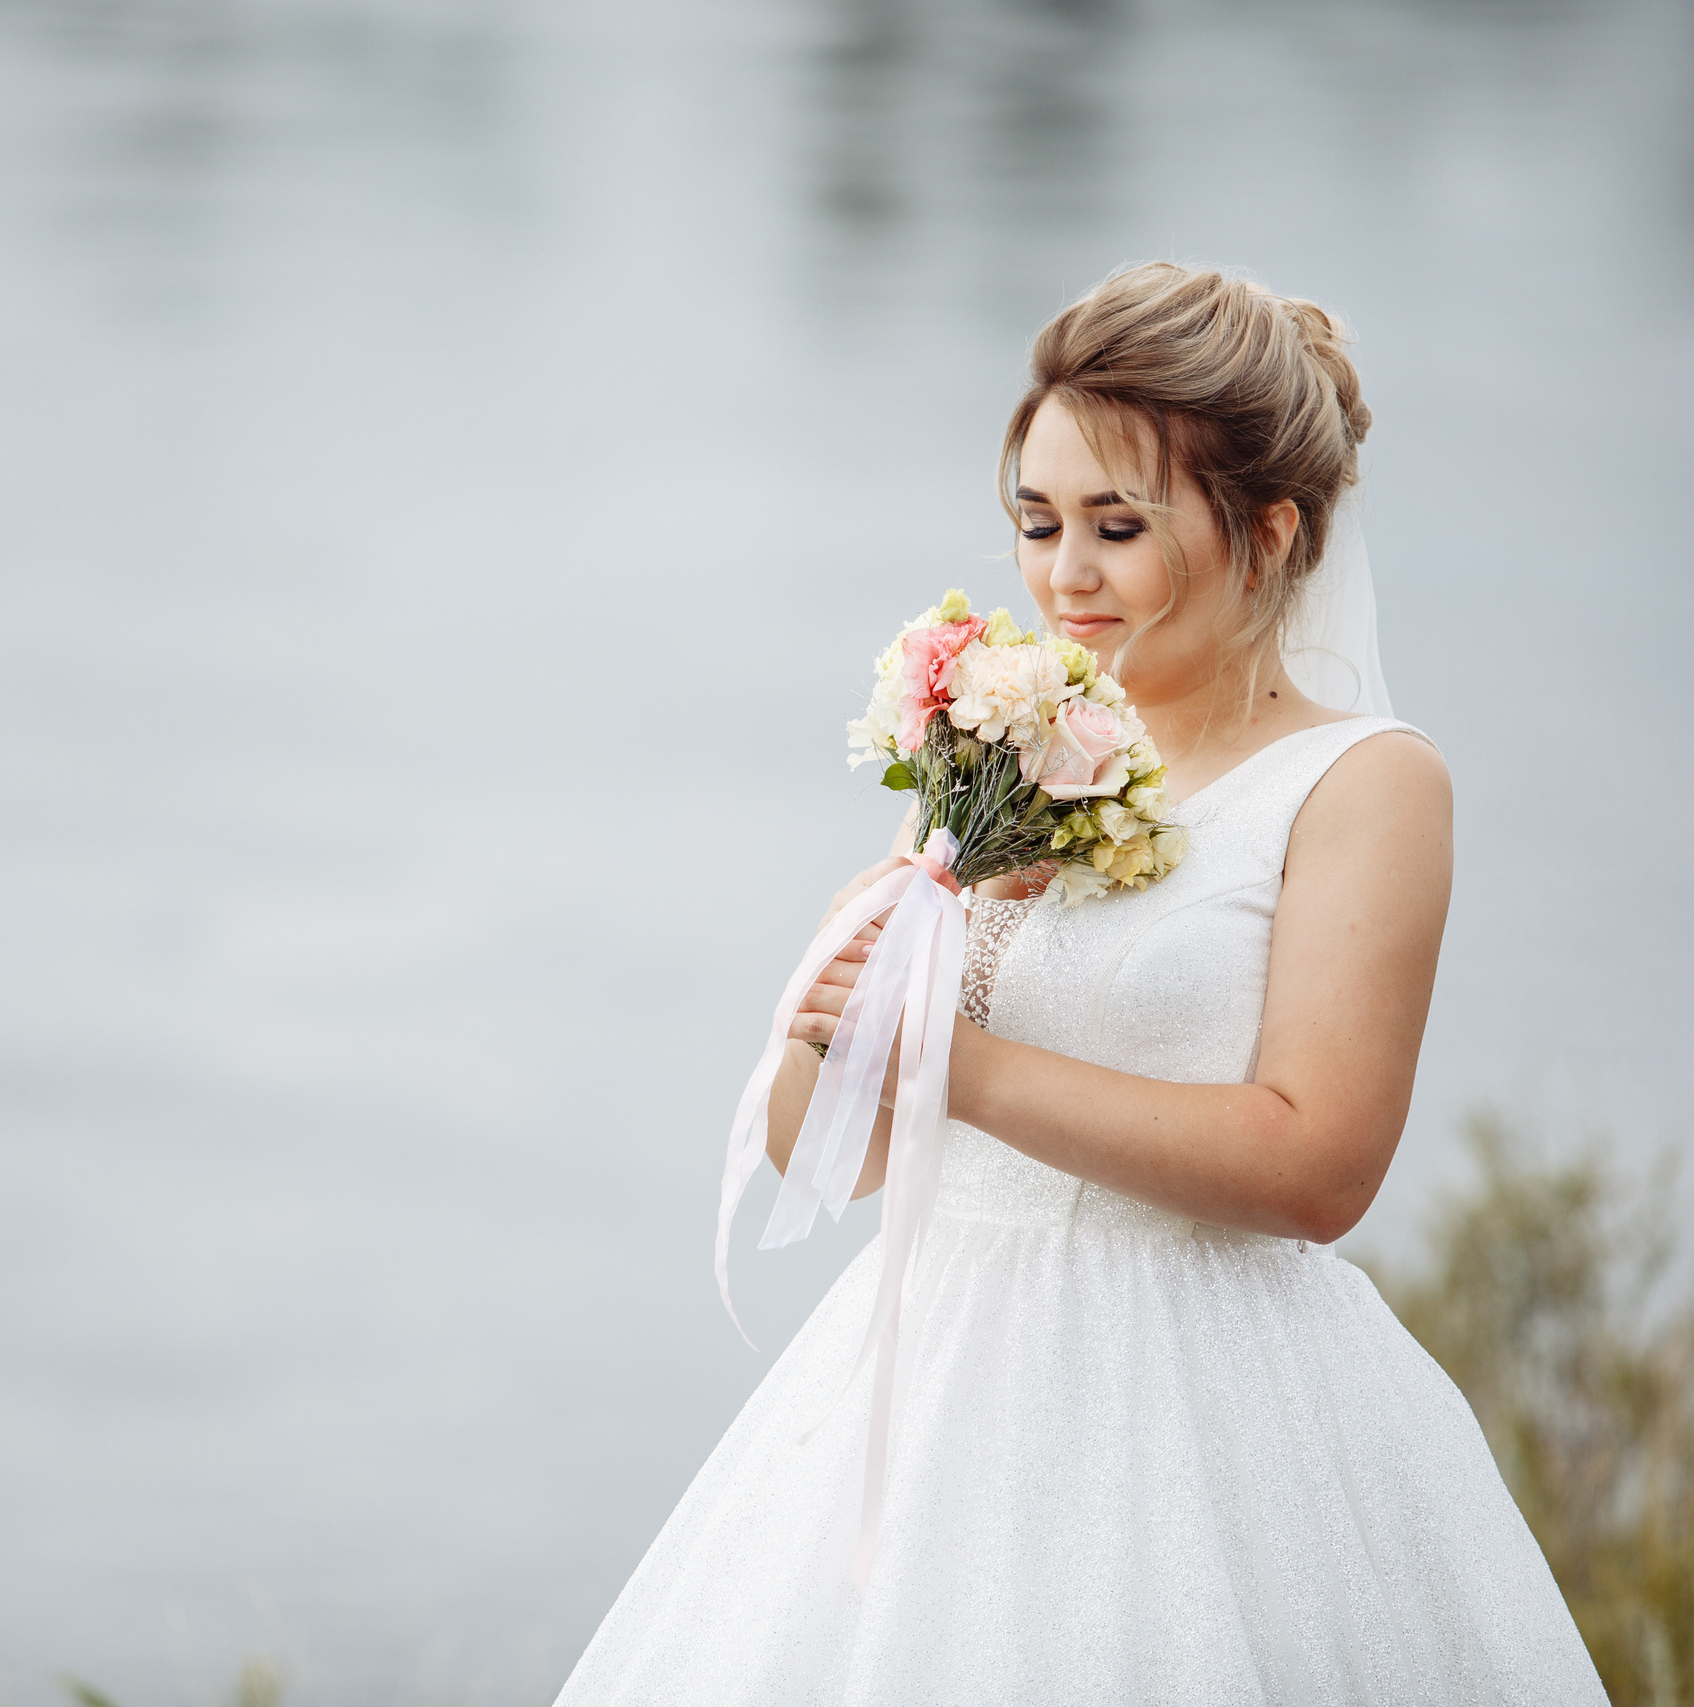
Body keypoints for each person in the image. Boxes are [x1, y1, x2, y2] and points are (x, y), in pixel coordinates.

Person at [556, 263, 1607, 1703]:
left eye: (1119, 528)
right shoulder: (1001, 746)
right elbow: (830, 1155)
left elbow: (1319, 1164)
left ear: (1270, 532)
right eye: (1038, 525)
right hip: (930, 1385)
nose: (1064, 575)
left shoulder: (1363, 783)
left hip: (1206, 1403)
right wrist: (837, 996)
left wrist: (969, 1069)